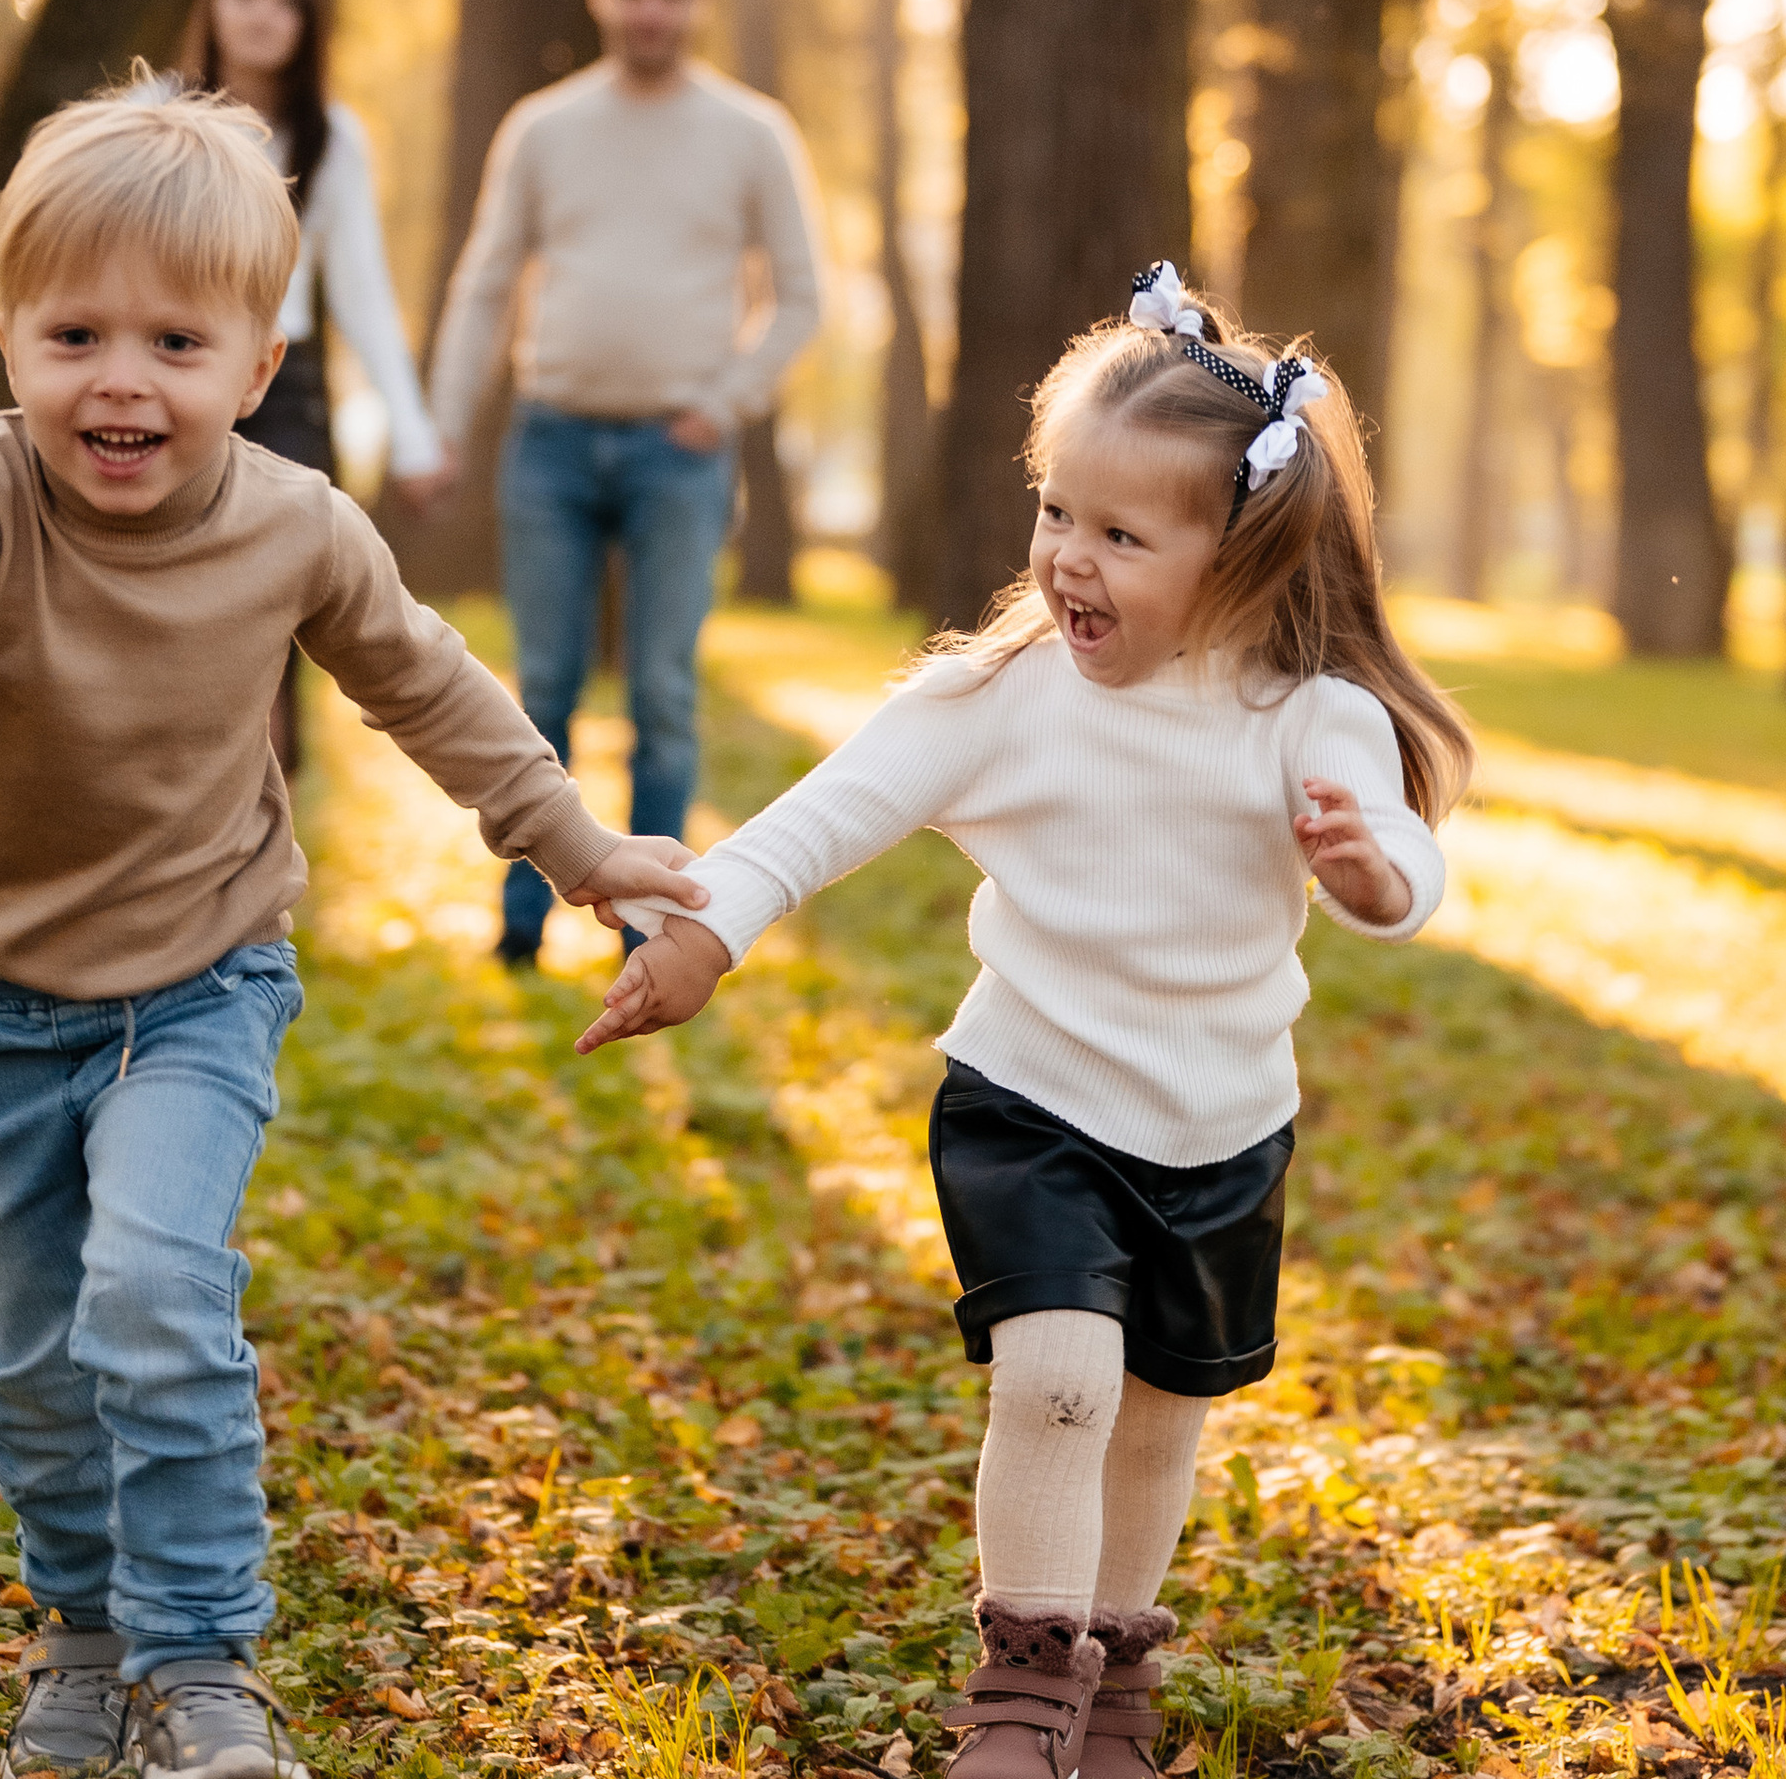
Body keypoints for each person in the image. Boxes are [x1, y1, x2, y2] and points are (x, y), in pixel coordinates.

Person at [0, 79, 706, 1779]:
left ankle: (200, 1665)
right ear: (9, 340)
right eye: (75, 335)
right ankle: (83, 1624)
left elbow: (432, 687)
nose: (121, 380)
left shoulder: (294, 524)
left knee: (152, 1293)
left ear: (257, 369)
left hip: (199, 989)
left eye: (178, 345)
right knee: (34, 1361)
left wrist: (574, 846)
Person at [576, 262, 1473, 1779]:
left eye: (1124, 535)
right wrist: (704, 934)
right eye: (1058, 513)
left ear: (1240, 553)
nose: (1071, 560)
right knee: (1058, 1380)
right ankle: (1022, 1686)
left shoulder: (1306, 716)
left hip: (1222, 1125)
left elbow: (1410, 867)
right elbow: (821, 818)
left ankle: (1112, 1672)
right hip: (1032, 1098)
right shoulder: (1004, 696)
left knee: (1159, 1415)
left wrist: (1374, 873)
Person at [426, 0, 825, 965]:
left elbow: (799, 298)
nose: (651, 11)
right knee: (540, 691)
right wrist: (443, 422)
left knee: (661, 693)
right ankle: (518, 926)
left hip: (678, 453)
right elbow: (483, 283)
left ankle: (650, 929)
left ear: (696, 1)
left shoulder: (750, 133)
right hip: (550, 441)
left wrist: (723, 403)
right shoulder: (544, 128)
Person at [179, 0, 450, 770]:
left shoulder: (334, 137)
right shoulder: (152, 113)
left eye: (286, 2)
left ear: (308, 25)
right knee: (184, 601)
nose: (264, 17)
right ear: (214, 8)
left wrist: (412, 436)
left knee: (271, 610)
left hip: (282, 385)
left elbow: (363, 292)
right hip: (174, 372)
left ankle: (261, 830)